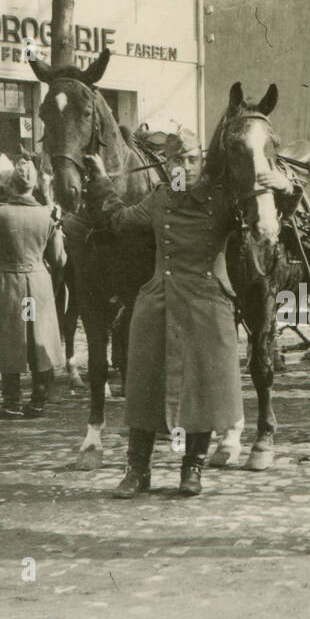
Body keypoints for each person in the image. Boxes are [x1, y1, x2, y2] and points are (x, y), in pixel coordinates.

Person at [87, 128, 244, 498]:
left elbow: (259, 216)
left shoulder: (223, 201)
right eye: (177, 160)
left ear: (202, 163)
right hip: (159, 301)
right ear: (167, 164)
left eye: (192, 159)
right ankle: (137, 471)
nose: (185, 167)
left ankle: (192, 469)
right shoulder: (158, 200)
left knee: (202, 389)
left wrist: (281, 186)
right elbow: (119, 221)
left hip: (206, 302)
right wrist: (102, 183)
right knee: (144, 387)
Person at [0, 156, 67, 419]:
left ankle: (11, 401)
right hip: (38, 282)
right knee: (37, 338)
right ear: (33, 186)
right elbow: (59, 259)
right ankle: (38, 400)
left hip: (8, 281)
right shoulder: (46, 215)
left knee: (10, 338)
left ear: (11, 185)